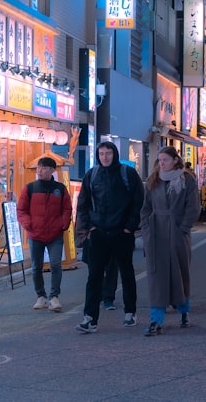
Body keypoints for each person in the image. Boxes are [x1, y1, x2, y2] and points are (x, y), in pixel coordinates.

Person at [75, 142, 145, 334]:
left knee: (127, 273)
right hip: (99, 234)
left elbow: (139, 200)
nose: (105, 157)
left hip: (122, 233)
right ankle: (90, 318)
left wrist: (130, 227)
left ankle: (130, 312)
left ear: (114, 154)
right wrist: (90, 227)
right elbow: (83, 204)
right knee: (94, 276)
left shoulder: (127, 173)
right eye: (102, 153)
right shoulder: (92, 174)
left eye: (108, 153)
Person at [141, 146, 200, 336]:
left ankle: (184, 312)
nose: (162, 164)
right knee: (156, 276)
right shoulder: (153, 180)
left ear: (175, 160)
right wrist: (147, 229)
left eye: (165, 160)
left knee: (180, 273)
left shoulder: (186, 179)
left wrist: (183, 228)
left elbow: (193, 206)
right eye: (160, 160)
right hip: (156, 232)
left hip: (177, 233)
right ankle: (155, 319)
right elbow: (146, 208)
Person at [17, 157, 72, 313]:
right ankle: (41, 296)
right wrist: (28, 224)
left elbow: (67, 209)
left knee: (55, 264)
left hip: (55, 234)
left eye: (44, 168)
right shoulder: (30, 188)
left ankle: (54, 297)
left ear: (52, 170)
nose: (39, 170)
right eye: (38, 167)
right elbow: (21, 210)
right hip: (35, 234)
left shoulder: (60, 189)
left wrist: (63, 223)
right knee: (36, 267)